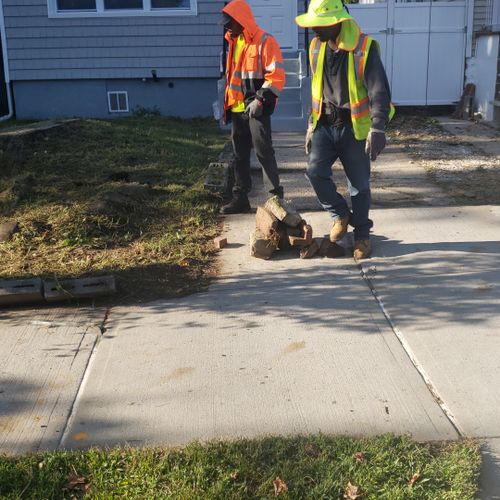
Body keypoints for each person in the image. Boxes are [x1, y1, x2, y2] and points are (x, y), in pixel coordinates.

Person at [295, 0, 394, 259]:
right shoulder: (316, 46)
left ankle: (361, 235)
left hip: (353, 128)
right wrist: (310, 124)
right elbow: (316, 89)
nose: (314, 28)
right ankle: (340, 214)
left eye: (319, 24)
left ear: (336, 22)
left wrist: (378, 127)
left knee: (359, 186)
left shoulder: (363, 48)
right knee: (314, 173)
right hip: (324, 125)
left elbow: (378, 91)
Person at [219, 0, 286, 214]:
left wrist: (260, 100)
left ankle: (275, 199)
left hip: (256, 107)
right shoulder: (232, 42)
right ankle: (240, 198)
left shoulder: (265, 41)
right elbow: (232, 77)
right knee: (239, 155)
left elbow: (276, 76)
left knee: (263, 151)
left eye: (230, 23)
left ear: (242, 20)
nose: (227, 27)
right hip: (237, 108)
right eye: (226, 23)